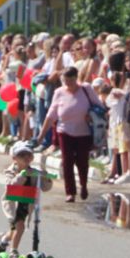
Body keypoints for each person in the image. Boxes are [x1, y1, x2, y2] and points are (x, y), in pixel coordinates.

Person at [40, 66, 100, 203]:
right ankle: (70, 192)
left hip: (83, 132)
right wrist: (41, 135)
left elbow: (99, 107)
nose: (68, 84)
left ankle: (83, 185)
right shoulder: (59, 92)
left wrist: (91, 115)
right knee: (67, 162)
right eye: (65, 81)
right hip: (64, 131)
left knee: (82, 162)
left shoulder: (86, 89)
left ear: (76, 78)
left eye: (71, 81)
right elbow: (51, 115)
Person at [0, 142, 53, 258]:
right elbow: (11, 185)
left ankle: (4, 240)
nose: (26, 157)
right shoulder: (10, 171)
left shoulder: (34, 172)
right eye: (22, 155)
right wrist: (21, 176)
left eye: (28, 155)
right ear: (15, 158)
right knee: (20, 227)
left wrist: (46, 177)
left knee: (14, 230)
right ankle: (13, 252)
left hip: (26, 204)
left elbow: (45, 188)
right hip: (13, 203)